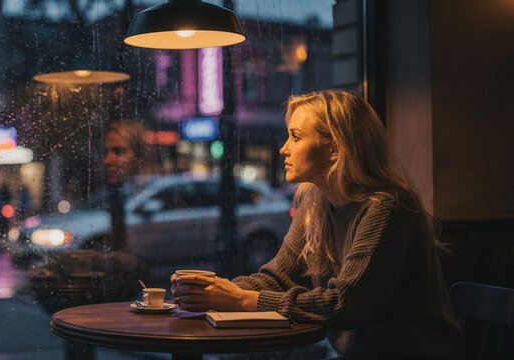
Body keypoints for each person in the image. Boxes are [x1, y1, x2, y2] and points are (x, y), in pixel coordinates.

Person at [171, 90, 468, 359]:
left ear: (336, 149)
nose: (283, 149)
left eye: (296, 137)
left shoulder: (387, 206)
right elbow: (277, 278)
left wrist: (238, 299)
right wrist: (213, 291)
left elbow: (342, 305)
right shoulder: (316, 204)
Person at [102, 119, 149, 251]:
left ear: (140, 157)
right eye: (106, 152)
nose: (107, 160)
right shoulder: (118, 193)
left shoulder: (149, 193)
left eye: (119, 151)